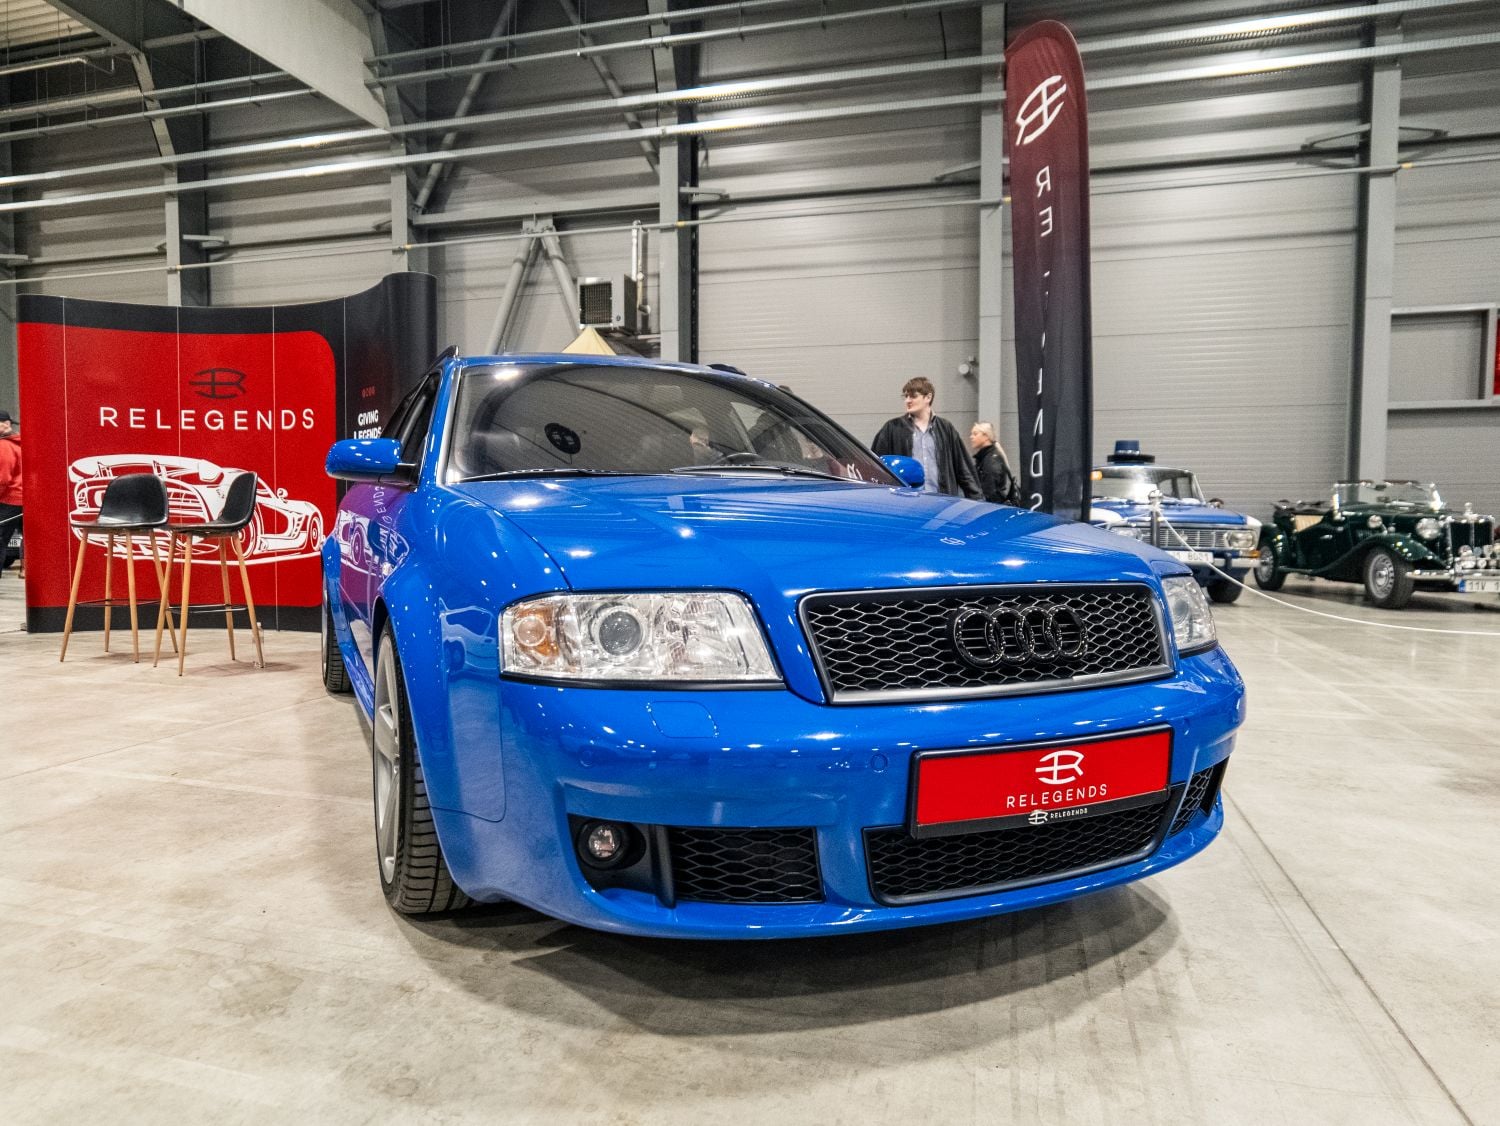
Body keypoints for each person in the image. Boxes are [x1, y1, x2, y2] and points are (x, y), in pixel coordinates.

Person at [871, 377, 981, 499]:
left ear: (928, 397)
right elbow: (874, 466)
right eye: (906, 396)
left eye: (913, 396)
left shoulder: (946, 428)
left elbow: (963, 469)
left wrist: (978, 499)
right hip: (906, 501)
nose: (907, 400)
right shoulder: (892, 428)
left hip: (942, 501)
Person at [969, 421, 1022, 506]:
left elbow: (989, 494)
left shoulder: (991, 461)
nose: (971, 437)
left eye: (975, 434)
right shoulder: (987, 457)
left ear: (986, 436)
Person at [0, 410, 20, 573]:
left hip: (9, 499)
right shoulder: (19, 443)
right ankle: (26, 569)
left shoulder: (4, 445)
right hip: (24, 499)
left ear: (6, 424)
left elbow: (3, 478)